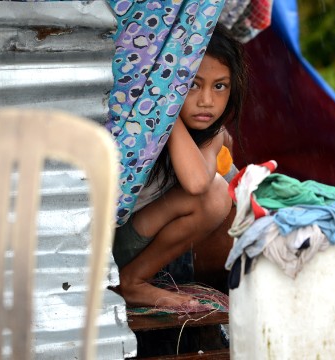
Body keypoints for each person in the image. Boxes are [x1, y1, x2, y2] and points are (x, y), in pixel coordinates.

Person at [112, 24, 247, 308]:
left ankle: (134, 280)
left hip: (137, 247)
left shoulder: (214, 136)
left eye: (219, 86)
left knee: (217, 195)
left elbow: (198, 182)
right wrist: (164, 106)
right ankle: (132, 281)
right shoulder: (138, 122)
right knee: (214, 194)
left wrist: (169, 115)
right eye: (193, 85)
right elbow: (198, 184)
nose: (207, 101)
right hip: (102, 248)